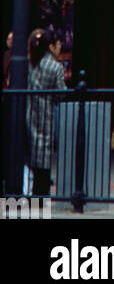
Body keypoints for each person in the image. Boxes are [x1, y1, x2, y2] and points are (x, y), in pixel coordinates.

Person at [27, 27, 67, 196]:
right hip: (45, 119)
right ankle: (40, 205)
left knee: (31, 166)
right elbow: (62, 94)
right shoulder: (55, 67)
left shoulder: (29, 63)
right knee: (43, 170)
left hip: (28, 116)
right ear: (50, 46)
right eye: (58, 45)